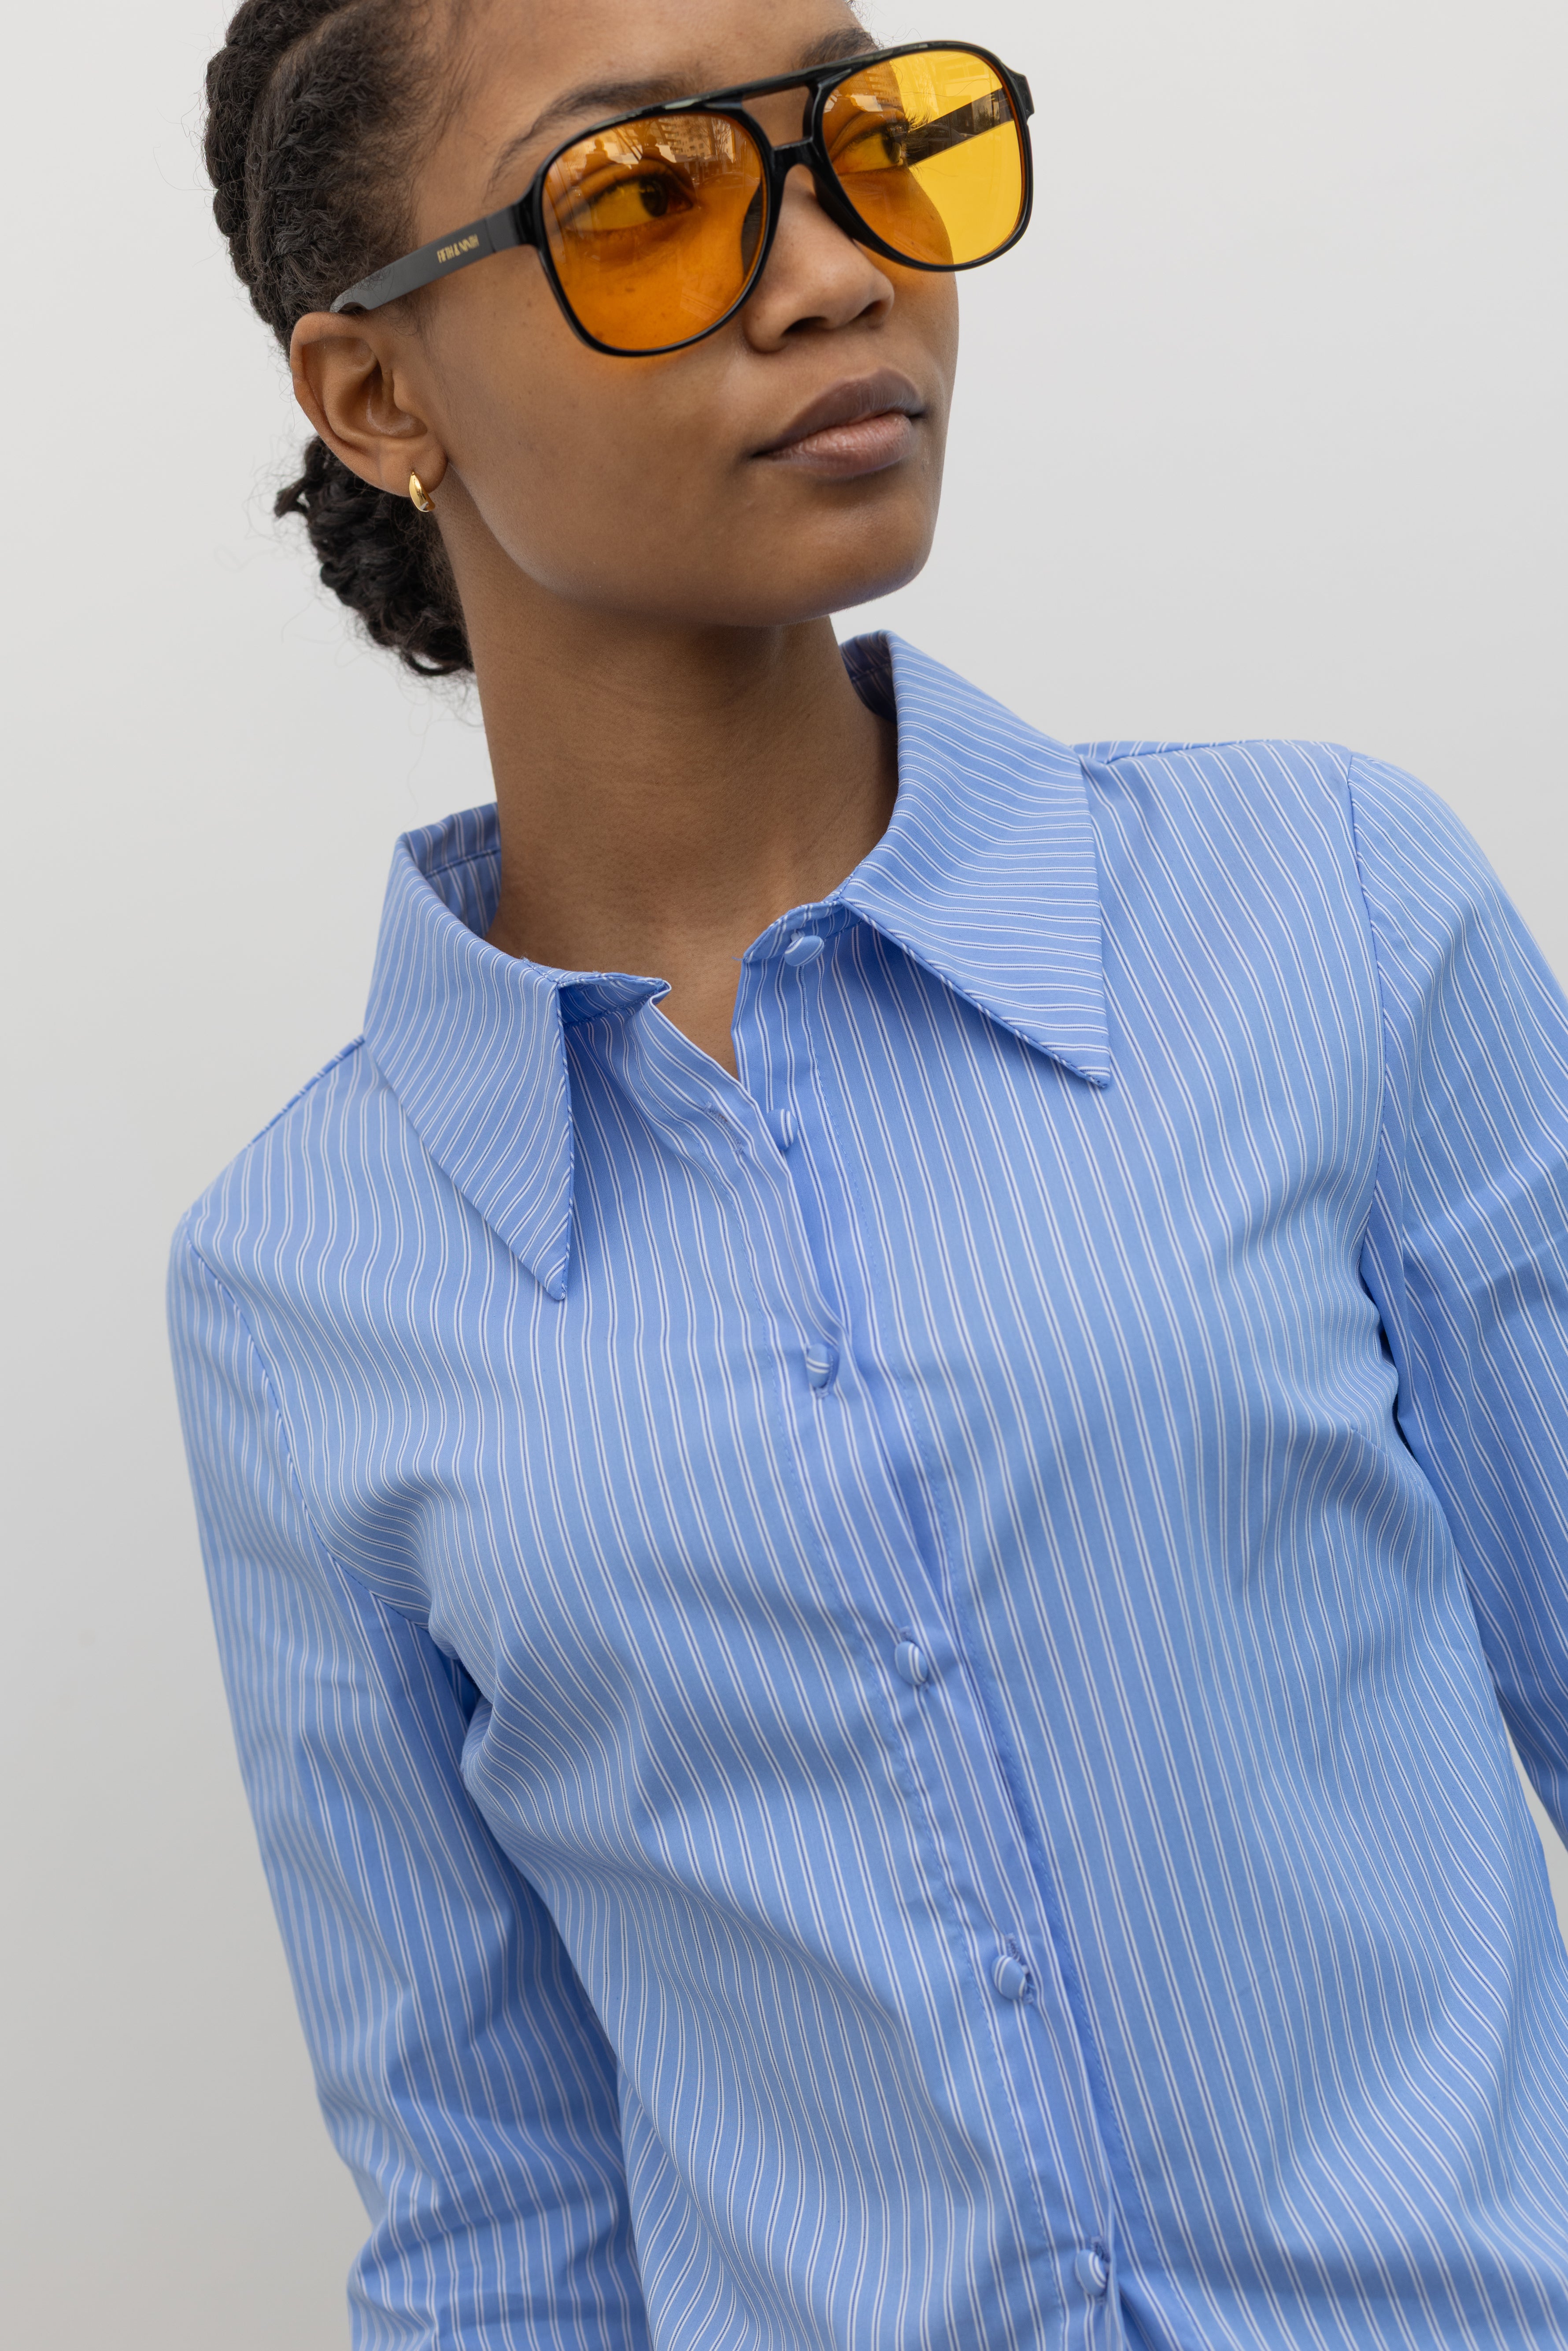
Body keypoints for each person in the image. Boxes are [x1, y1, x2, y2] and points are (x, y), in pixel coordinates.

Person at [170, 0, 1568, 2344]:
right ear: (375, 394)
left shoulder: (1324, 907)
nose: (832, 269)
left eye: (863, 142)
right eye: (646, 198)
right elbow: (501, 2211)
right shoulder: (301, 1281)